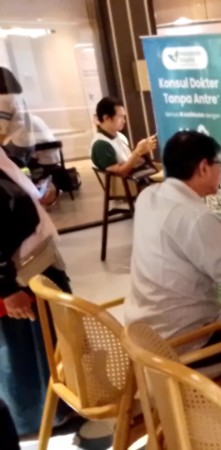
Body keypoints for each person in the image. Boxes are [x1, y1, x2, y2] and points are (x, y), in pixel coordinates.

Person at [123, 131, 221, 377]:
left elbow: (178, 235)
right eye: (220, 165)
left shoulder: (149, 196)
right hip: (186, 340)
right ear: (203, 167)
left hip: (144, 332)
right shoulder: (197, 217)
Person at [0, 148, 70, 439]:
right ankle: (36, 416)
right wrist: (6, 288)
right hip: (17, 276)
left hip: (36, 262)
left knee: (49, 340)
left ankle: (59, 405)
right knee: (24, 349)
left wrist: (39, 195)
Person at [90, 97, 157, 182]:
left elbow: (127, 160)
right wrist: (137, 153)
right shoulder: (101, 144)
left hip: (135, 178)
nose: (124, 121)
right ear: (106, 118)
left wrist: (142, 151)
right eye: (120, 117)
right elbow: (120, 174)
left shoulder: (120, 136)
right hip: (129, 184)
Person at [0, 67, 34, 168]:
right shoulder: (18, 97)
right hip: (27, 142)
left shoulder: (2, 100)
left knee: (15, 170)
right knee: (22, 169)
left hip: (13, 144)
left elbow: (2, 128)